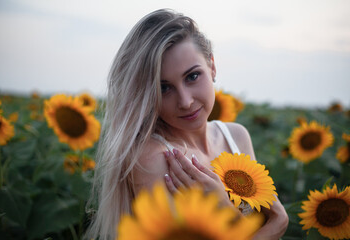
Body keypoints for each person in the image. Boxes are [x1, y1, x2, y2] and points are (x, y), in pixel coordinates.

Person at [86, 8, 288, 240]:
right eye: (164, 88)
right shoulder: (155, 160)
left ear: (212, 66)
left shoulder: (236, 137)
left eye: (192, 76)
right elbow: (270, 222)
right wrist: (275, 224)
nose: (185, 101)